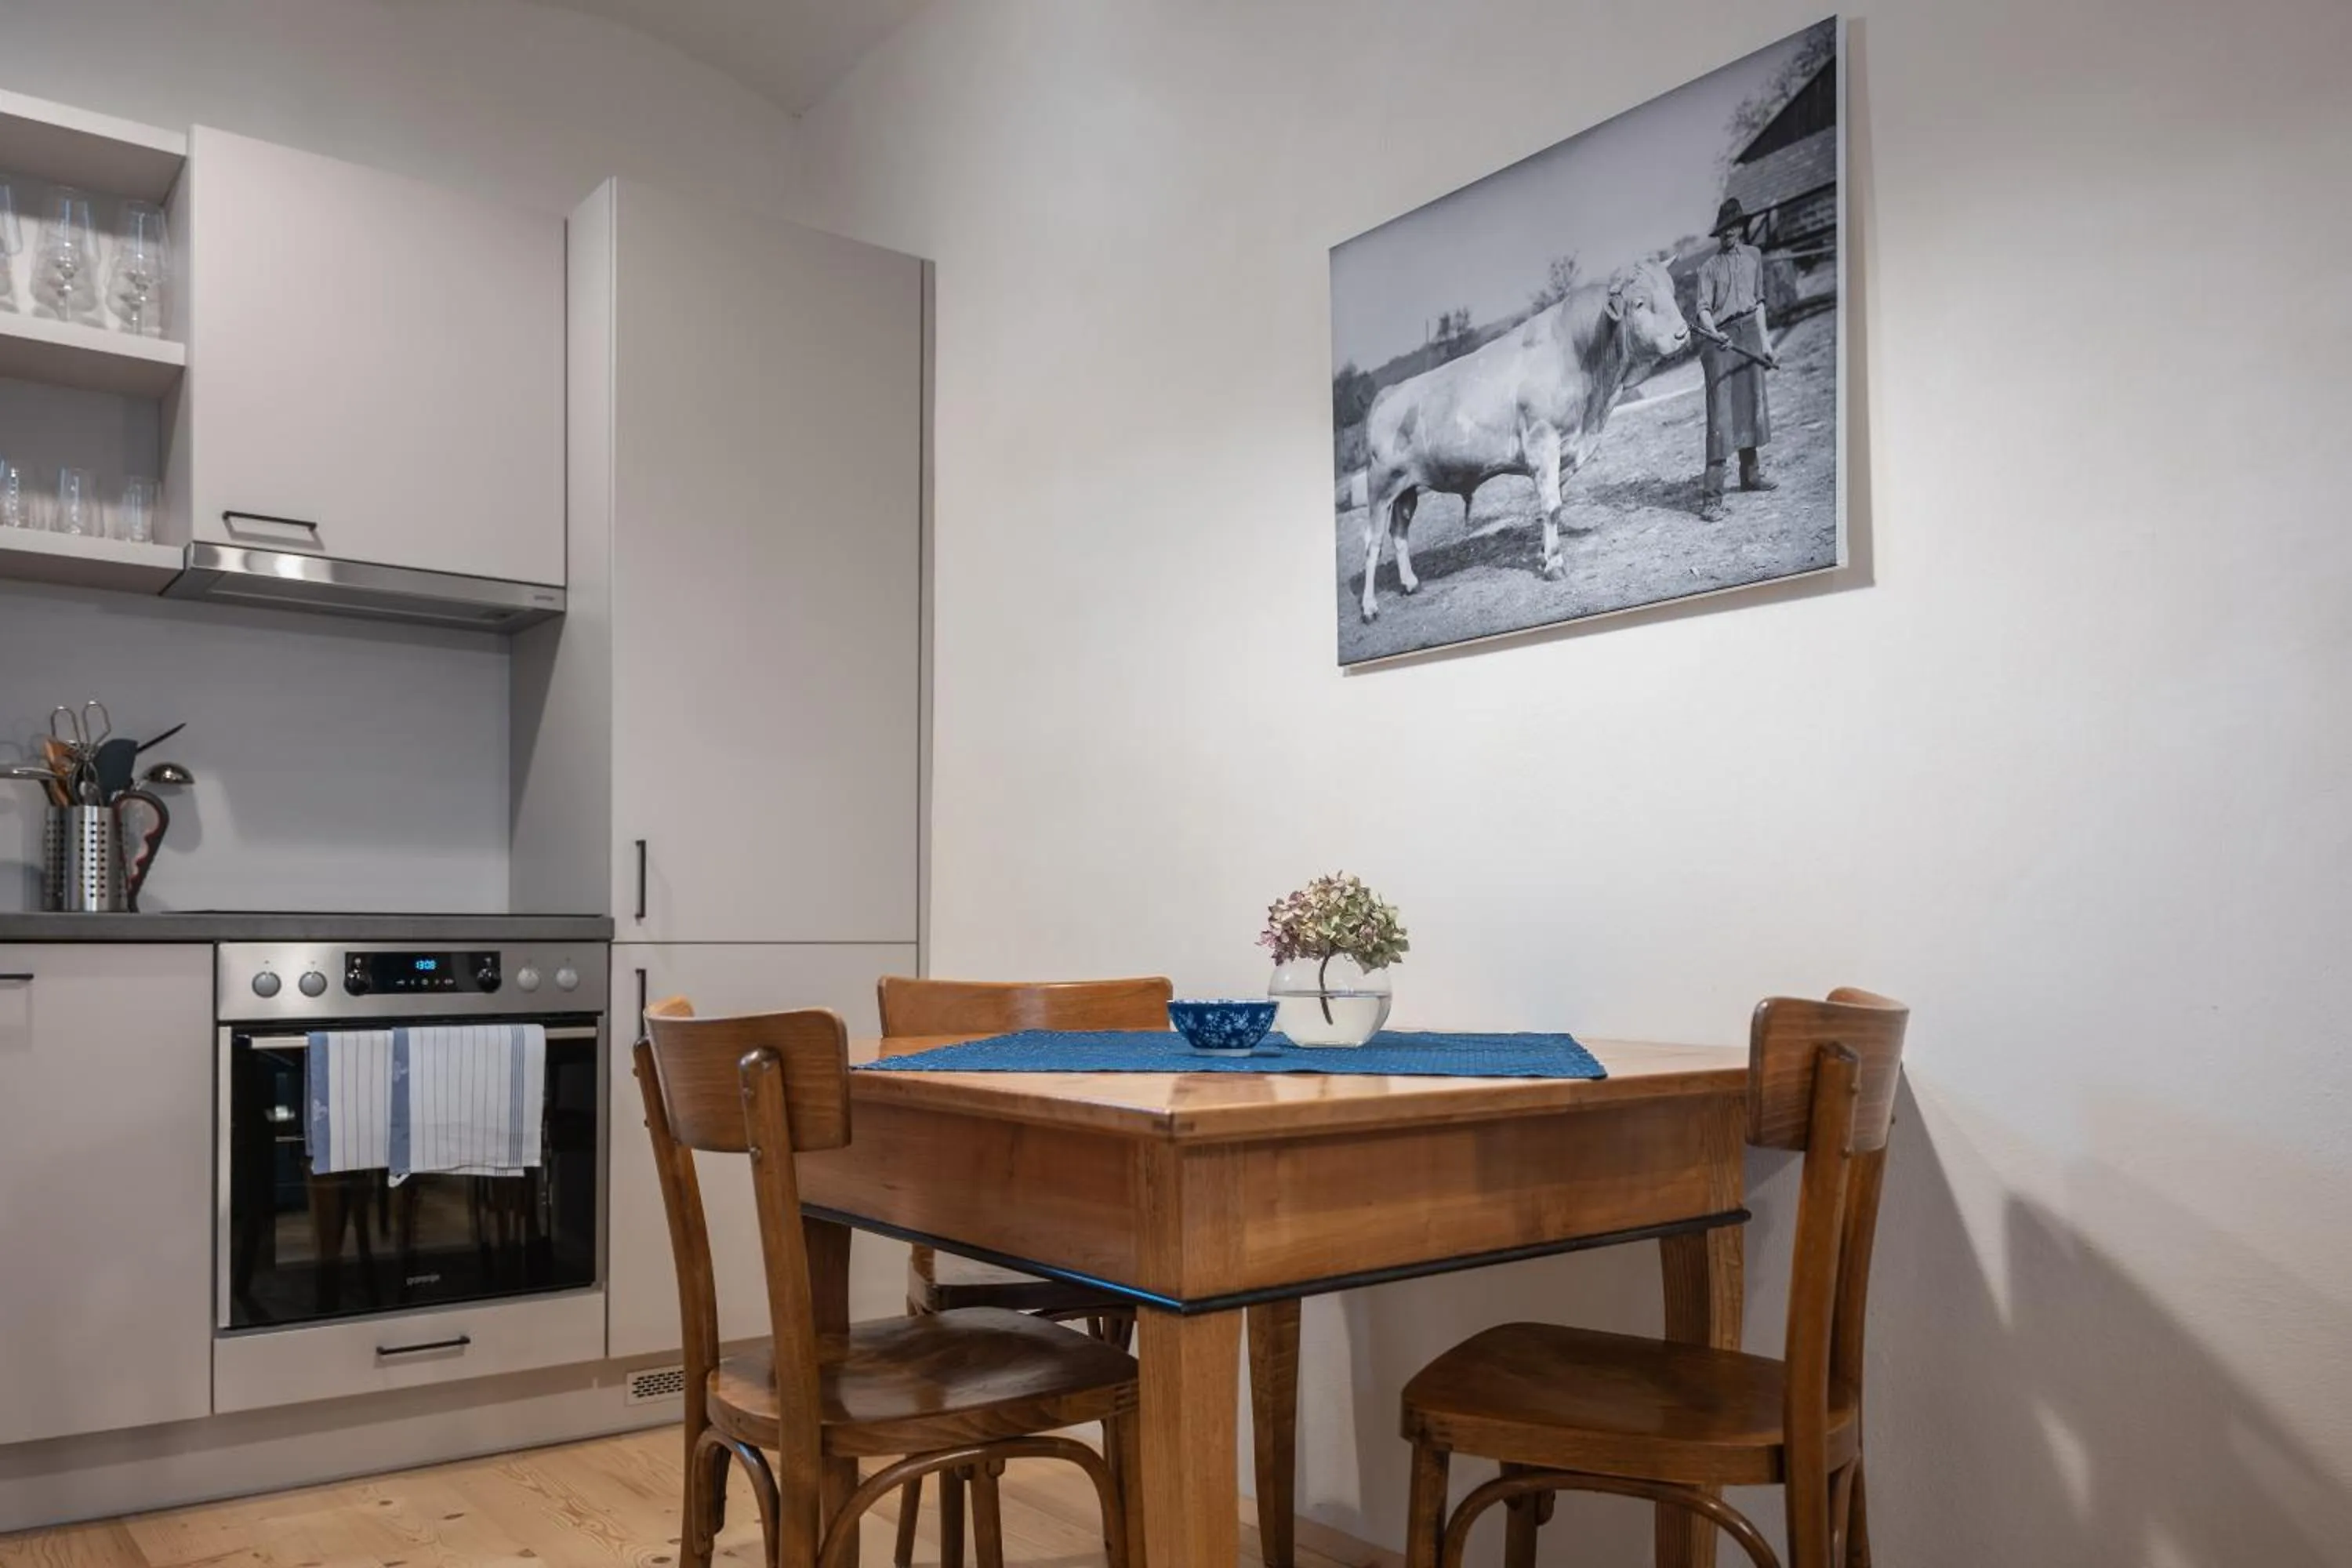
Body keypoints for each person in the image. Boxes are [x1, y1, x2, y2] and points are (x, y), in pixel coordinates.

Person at [1693, 196, 1780, 521]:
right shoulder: (1708, 268)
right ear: (1719, 233)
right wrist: (1715, 333)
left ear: (1741, 227)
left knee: (1750, 404)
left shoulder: (1754, 257)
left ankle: (1751, 476)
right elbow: (1702, 309)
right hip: (1720, 341)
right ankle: (1711, 498)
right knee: (1721, 418)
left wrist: (1767, 344)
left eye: (1733, 226)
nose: (1728, 232)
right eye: (1723, 229)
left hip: (1751, 337)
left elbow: (1758, 302)